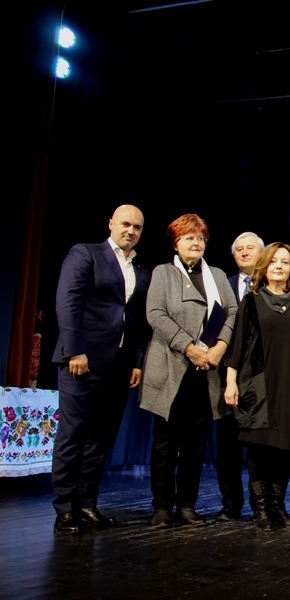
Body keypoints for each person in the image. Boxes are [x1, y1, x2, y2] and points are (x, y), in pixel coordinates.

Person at [50, 205, 150, 535]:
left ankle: (86, 503)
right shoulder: (86, 254)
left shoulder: (140, 269)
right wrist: (74, 350)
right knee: (73, 434)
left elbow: (137, 318)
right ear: (110, 224)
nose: (130, 231)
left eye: (137, 227)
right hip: (83, 360)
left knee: (102, 439)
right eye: (125, 224)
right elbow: (68, 302)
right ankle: (65, 508)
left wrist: (137, 361)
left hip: (119, 365)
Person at [139, 214, 237, 528]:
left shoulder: (217, 275)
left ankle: (187, 506)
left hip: (206, 371)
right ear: (175, 243)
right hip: (172, 366)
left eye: (200, 238)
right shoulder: (163, 273)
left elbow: (232, 312)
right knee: (165, 442)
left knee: (196, 444)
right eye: (188, 238)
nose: (196, 243)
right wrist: (189, 347)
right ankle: (162, 507)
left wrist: (220, 347)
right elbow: (155, 313)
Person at [224, 243, 290, 530]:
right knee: (259, 446)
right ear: (264, 266)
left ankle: (278, 505)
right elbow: (237, 347)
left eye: (285, 262)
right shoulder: (251, 301)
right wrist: (230, 382)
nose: (279, 266)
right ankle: (261, 508)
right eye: (274, 261)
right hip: (258, 383)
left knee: (285, 447)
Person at [215, 231, 264, 522]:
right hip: (226, 374)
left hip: (261, 374)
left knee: (259, 445)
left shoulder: (274, 284)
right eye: (239, 249)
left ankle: (262, 505)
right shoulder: (221, 284)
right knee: (227, 445)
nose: (244, 253)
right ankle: (231, 503)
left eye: (250, 248)